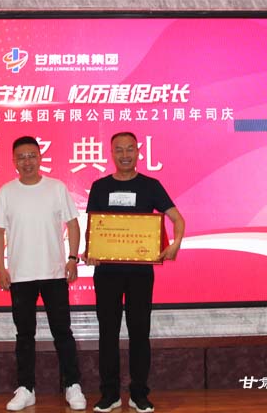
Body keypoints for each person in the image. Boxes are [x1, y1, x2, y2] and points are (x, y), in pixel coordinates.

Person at [84, 131, 185, 413]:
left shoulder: (151, 185)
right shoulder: (100, 187)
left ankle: (139, 393)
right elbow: (94, 227)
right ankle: (110, 394)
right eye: (119, 150)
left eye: (130, 149)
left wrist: (176, 243)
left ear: (138, 152)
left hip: (140, 274)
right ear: (111, 153)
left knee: (140, 332)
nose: (125, 155)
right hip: (107, 273)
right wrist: (90, 251)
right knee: (108, 333)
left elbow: (177, 219)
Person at [0, 135, 87, 411]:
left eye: (32, 156)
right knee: (24, 335)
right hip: (20, 275)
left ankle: (72, 385)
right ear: (14, 161)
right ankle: (26, 388)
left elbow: (73, 224)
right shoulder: (7, 192)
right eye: (21, 157)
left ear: (40, 157)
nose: (27, 161)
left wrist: (72, 258)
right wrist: (1, 268)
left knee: (62, 332)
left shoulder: (56, 188)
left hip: (54, 273)